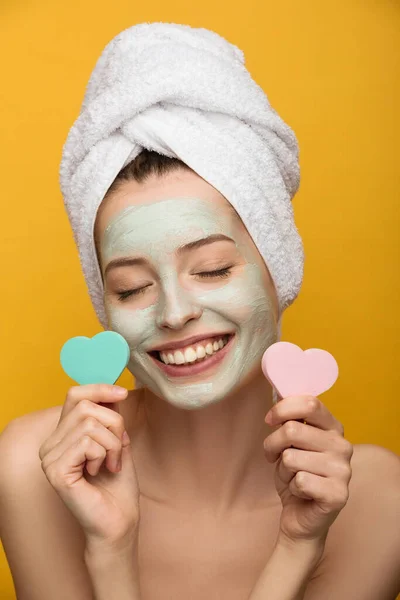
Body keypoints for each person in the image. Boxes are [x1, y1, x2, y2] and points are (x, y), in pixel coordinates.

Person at [1, 23, 400, 600]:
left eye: (212, 269)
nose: (173, 312)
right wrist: (110, 550)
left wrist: (298, 546)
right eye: (133, 287)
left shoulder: (379, 499)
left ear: (277, 266)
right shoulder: (34, 470)